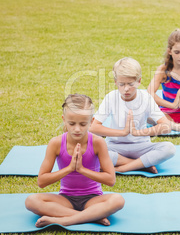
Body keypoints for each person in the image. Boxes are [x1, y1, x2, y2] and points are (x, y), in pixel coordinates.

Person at [25, 94, 125, 228]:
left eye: (83, 124)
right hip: (65, 199)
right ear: (64, 120)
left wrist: (82, 170)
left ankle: (65, 220)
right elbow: (41, 181)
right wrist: (69, 169)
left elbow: (111, 180)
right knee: (31, 201)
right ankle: (92, 217)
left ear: (91, 121)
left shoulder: (98, 142)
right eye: (72, 123)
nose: (77, 129)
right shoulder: (55, 143)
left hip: (93, 199)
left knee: (118, 200)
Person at [89, 57, 175, 174]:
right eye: (121, 84)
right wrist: (123, 132)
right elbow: (94, 127)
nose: (126, 89)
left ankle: (122, 167)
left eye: (130, 84)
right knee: (88, 151)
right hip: (114, 147)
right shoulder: (111, 97)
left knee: (169, 148)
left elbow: (166, 126)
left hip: (141, 146)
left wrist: (137, 133)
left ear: (139, 81)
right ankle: (141, 164)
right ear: (115, 82)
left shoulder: (146, 98)